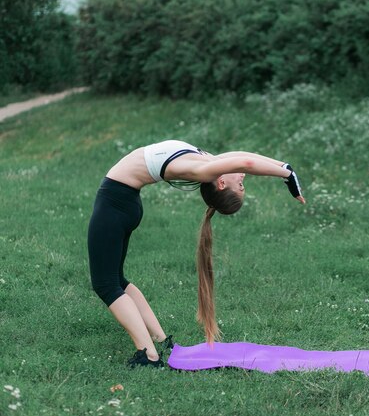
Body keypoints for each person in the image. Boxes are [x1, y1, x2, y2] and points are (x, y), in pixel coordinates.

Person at [87, 140, 305, 367]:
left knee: (105, 284)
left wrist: (287, 177)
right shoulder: (209, 162)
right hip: (123, 202)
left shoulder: (203, 170)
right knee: (117, 281)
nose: (242, 180)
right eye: (242, 186)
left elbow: (246, 163)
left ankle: (149, 355)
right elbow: (239, 155)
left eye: (240, 187)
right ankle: (160, 342)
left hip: (115, 203)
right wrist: (283, 166)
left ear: (221, 183)